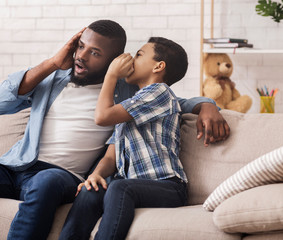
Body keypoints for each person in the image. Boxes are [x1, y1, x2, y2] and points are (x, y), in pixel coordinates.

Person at [0, 20, 229, 240]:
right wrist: (52, 63)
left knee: (45, 182)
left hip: (61, 175)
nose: (81, 56)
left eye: (94, 53)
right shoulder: (54, 79)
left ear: (112, 61)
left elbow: (174, 99)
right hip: (15, 166)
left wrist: (208, 106)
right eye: (81, 47)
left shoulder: (124, 90)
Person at [59, 37, 195, 240]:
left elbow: (101, 117)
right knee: (91, 190)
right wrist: (95, 175)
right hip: (133, 185)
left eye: (139, 55)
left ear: (158, 66)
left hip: (168, 186)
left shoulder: (160, 93)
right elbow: (110, 157)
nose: (132, 59)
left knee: (119, 186)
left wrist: (112, 74)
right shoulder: (130, 105)